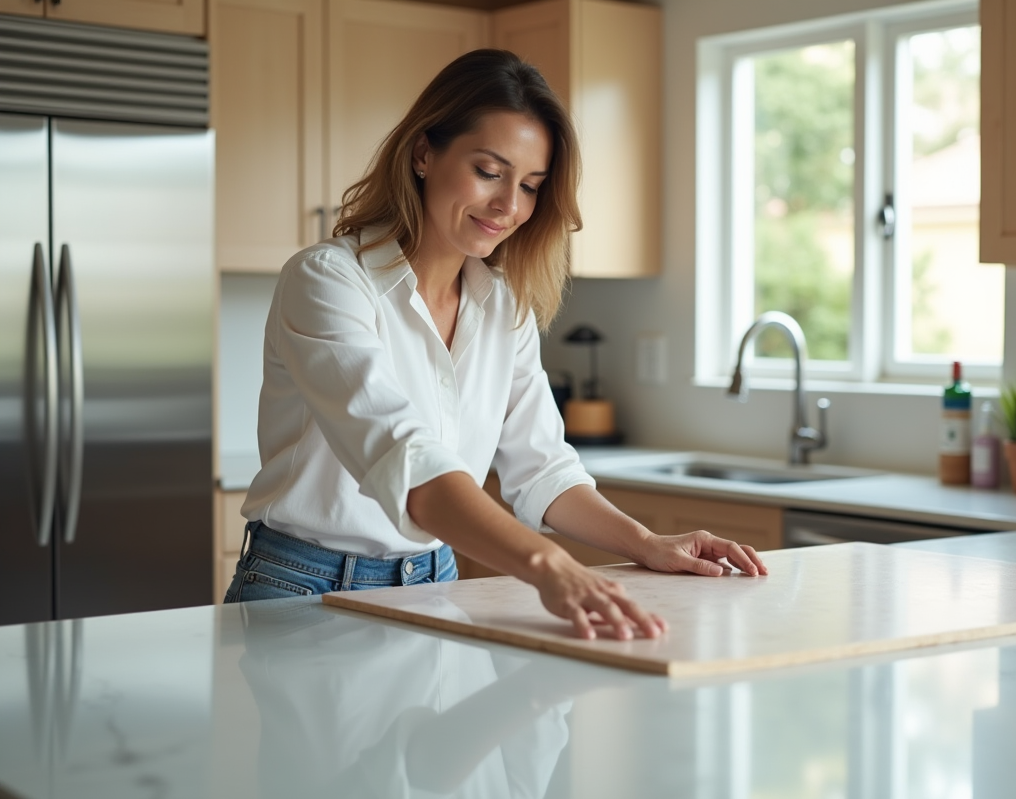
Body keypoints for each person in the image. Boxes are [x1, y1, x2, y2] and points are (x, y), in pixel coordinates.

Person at [224, 48, 768, 640]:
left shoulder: (503, 303)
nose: (510, 207)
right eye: (489, 172)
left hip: (438, 581)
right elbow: (406, 463)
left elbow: (543, 469)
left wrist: (646, 542)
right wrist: (548, 565)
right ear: (424, 153)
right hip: (305, 587)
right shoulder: (328, 280)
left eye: (531, 186)